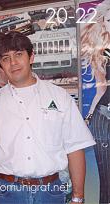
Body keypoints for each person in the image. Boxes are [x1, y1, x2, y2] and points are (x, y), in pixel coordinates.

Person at [0, 31, 96, 204]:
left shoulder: (60, 97)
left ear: (31, 57)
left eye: (19, 54)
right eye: (6, 58)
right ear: (1, 66)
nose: (13, 63)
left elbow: (75, 148)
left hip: (50, 192)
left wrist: (78, 197)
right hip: (6, 193)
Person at [81, 0, 110, 202]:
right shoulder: (102, 53)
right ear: (103, 23)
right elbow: (101, 89)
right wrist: (88, 117)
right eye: (109, 19)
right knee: (105, 175)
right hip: (103, 118)